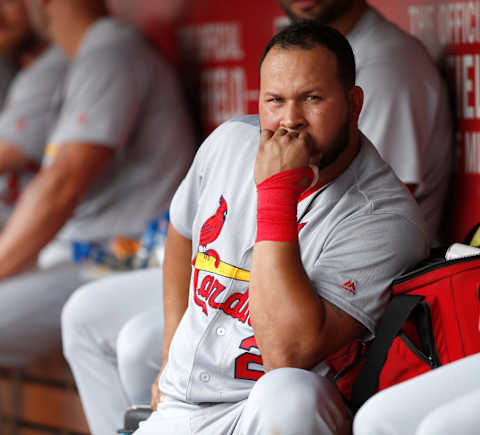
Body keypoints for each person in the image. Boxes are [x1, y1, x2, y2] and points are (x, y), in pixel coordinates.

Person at [132, 20, 427, 434]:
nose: (290, 120)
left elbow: (286, 353)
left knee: (291, 393)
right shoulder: (228, 143)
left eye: (312, 99)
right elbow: (181, 231)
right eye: (275, 100)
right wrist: (169, 350)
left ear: (354, 104)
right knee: (124, 336)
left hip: (262, 412)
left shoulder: (383, 217)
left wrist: (276, 194)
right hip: (182, 405)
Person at [0, 0, 195, 368]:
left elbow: (62, 185)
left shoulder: (112, 51)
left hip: (120, 262)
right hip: (82, 260)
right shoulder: (83, 55)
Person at [278, 0, 452, 243]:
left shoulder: (387, 69)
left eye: (313, 98)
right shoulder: (321, 58)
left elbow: (375, 212)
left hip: (374, 266)